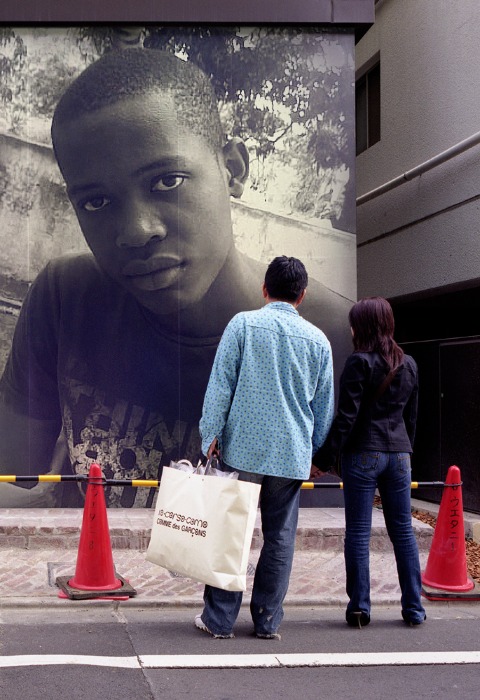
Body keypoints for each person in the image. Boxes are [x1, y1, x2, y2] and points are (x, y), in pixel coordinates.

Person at [0, 48, 351, 509]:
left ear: (233, 169)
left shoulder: (333, 341)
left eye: (167, 181)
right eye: (96, 202)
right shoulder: (66, 298)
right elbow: (11, 480)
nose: (136, 231)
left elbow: (334, 537)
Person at [195, 256, 334, 639]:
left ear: (264, 288)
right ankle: (267, 621)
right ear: (302, 295)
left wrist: (210, 435)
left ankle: (219, 620)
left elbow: (220, 384)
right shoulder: (319, 341)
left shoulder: (242, 325)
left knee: (231, 535)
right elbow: (323, 408)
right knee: (280, 539)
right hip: (290, 455)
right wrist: (316, 453)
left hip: (242, 450)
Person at [312, 296, 426, 627]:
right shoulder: (409, 364)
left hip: (363, 453)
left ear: (361, 327)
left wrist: (323, 460)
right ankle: (414, 608)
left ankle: (360, 608)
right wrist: (405, 453)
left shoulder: (358, 362)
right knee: (403, 532)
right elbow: (411, 419)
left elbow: (346, 419)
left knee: (359, 533)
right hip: (400, 454)